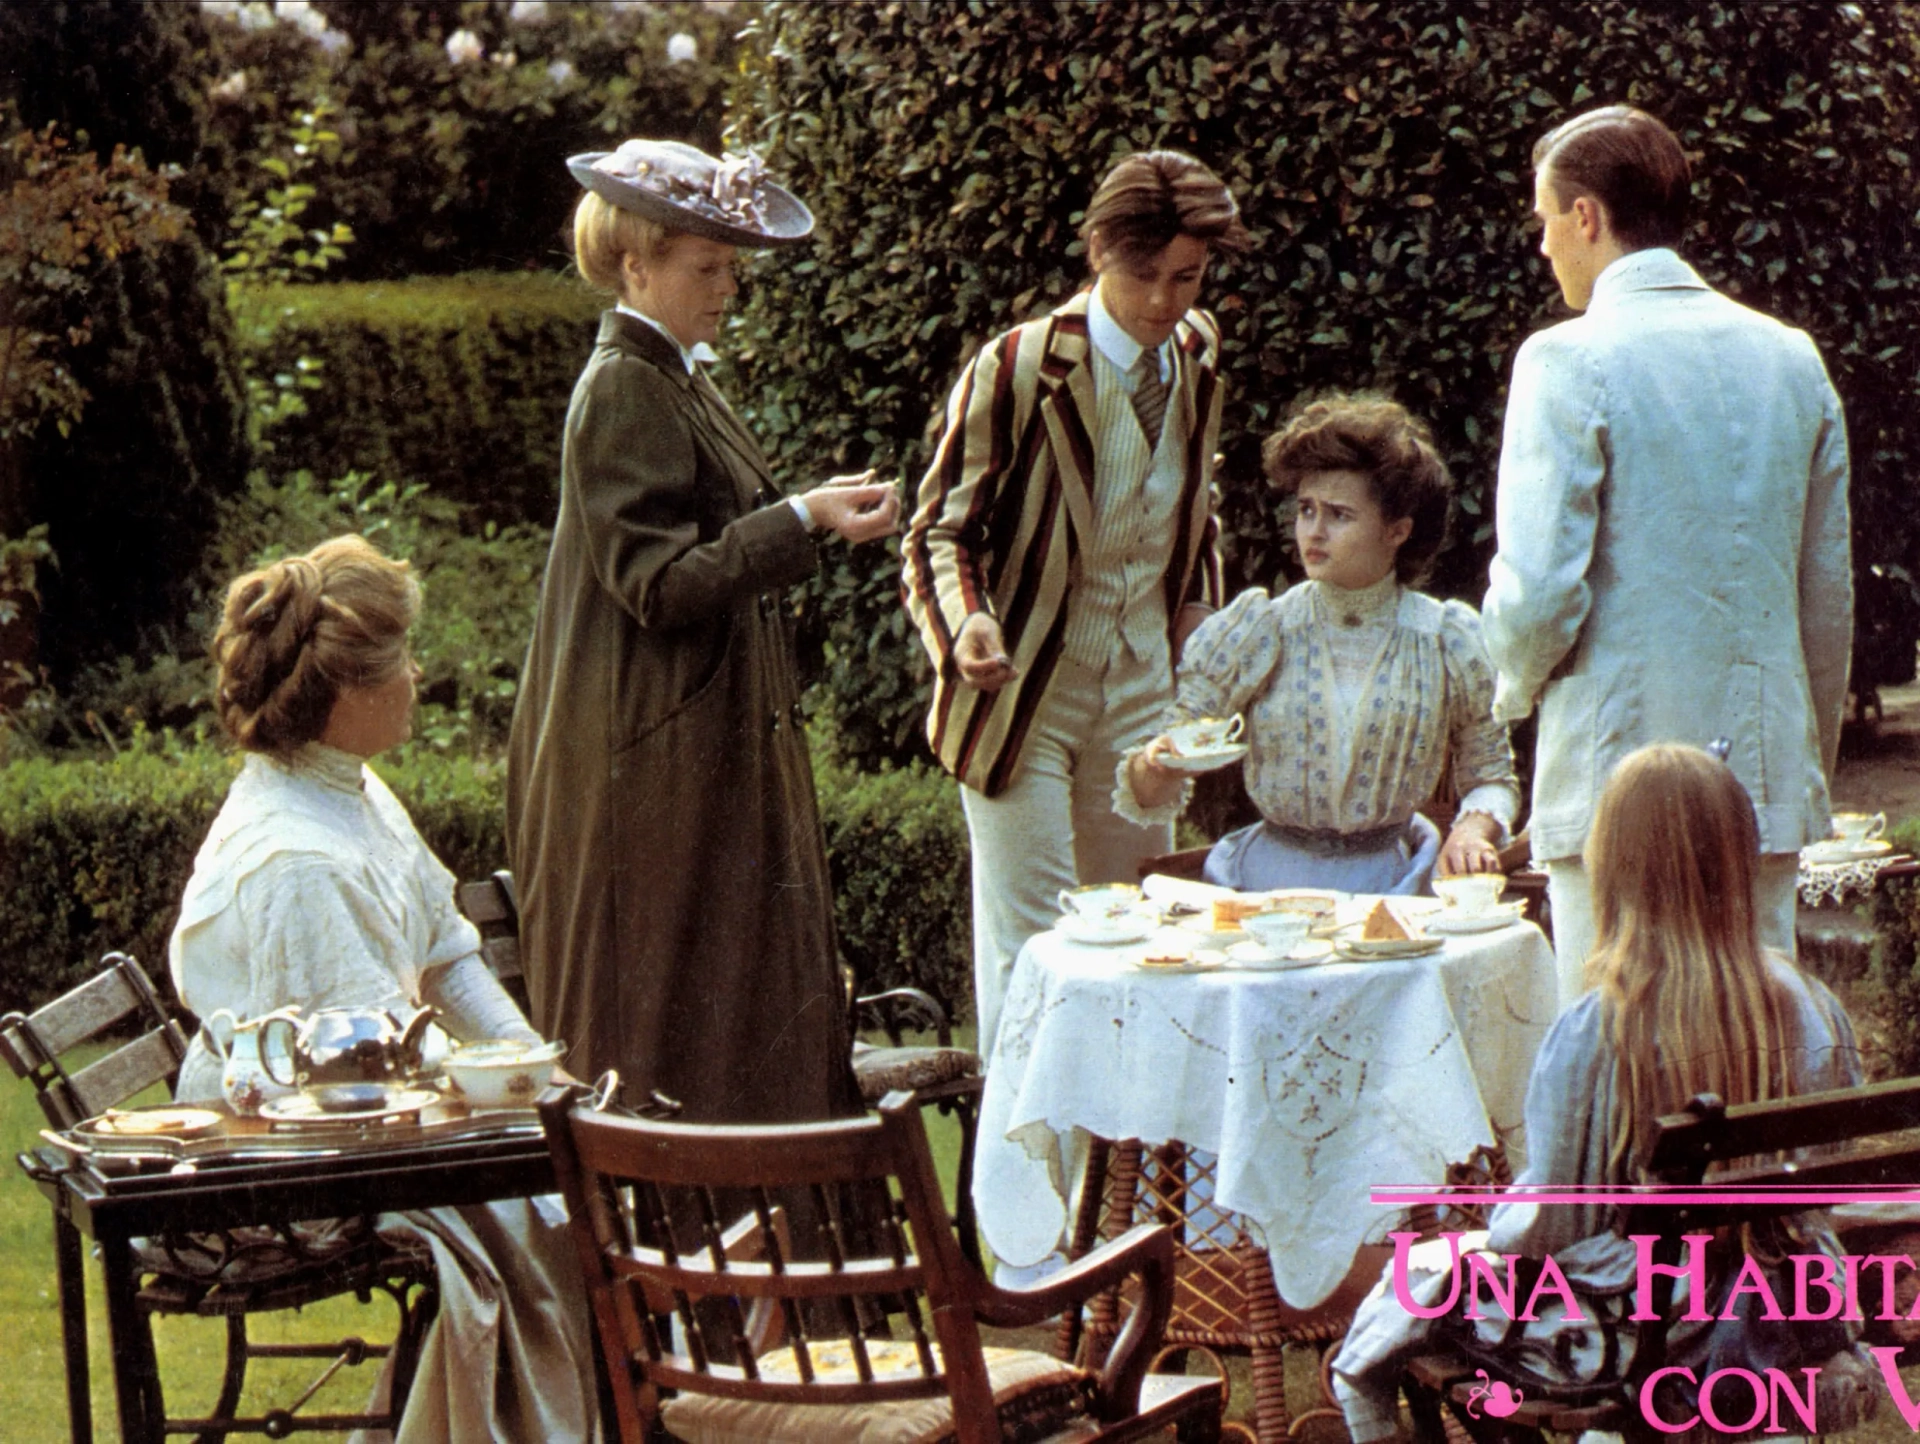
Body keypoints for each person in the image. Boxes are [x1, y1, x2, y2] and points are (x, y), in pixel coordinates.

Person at [170, 536, 598, 1443]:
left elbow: (446, 958)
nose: (418, 675)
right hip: (304, 1146)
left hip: (372, 1109)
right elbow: (374, 1057)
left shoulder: (351, 791)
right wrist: (518, 1100)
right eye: (401, 660)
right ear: (347, 694)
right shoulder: (297, 858)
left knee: (578, 1181)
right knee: (562, 1213)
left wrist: (535, 1074)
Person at [507, 140, 900, 1124]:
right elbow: (656, 582)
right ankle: (718, 1262)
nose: (727, 287)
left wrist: (806, 518)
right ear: (635, 262)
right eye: (705, 267)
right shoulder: (625, 384)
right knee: (684, 1031)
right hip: (653, 771)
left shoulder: (674, 375)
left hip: (698, 753)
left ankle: (761, 1264)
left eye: (732, 267)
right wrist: (798, 520)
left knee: (740, 1021)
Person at [1330, 744, 1867, 1442]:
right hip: (1785, 1303)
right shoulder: (1812, 1002)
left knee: (1409, 1292)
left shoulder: (1600, 1024)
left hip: (1638, 1330)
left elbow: (1552, 1221)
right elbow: (1831, 1157)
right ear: (1738, 857)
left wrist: (1491, 1232)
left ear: (1616, 867)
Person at [1481, 104, 1852, 1007]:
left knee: (1613, 1057)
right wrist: (1807, 755)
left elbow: (1536, 597)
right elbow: (1826, 598)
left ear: (1586, 218)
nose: (1542, 248)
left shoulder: (1564, 359)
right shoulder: (1792, 357)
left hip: (1612, 772)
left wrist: (1512, 693)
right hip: (1754, 777)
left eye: (1543, 222)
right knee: (1756, 1050)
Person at [903, 149, 1247, 1054]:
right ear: (1098, 250)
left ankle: (1123, 1193)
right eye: (1146, 276)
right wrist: (963, 624)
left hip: (1139, 695)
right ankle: (1026, 1199)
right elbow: (937, 531)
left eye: (1188, 277)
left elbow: (1195, 514)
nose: (1166, 302)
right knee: (1036, 960)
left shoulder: (1201, 352)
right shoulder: (1017, 366)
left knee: (1139, 951)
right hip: (1022, 695)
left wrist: (1197, 625)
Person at [1120, 394, 1519, 894]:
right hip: (1266, 888)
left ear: (1397, 530)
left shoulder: (1445, 638)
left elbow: (1491, 774)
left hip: (1394, 884)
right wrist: (1154, 764)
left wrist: (1473, 827)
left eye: (1339, 515)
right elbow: (1163, 762)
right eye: (1307, 510)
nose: (1314, 531)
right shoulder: (1262, 627)